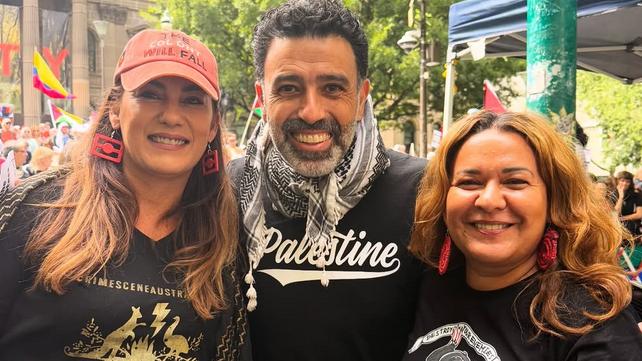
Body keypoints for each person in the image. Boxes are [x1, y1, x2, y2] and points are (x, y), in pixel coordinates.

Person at [0, 29, 248, 360]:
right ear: (116, 110)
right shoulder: (34, 209)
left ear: (213, 125)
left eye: (192, 100)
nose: (172, 116)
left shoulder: (227, 239)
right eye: (150, 94)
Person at [228, 1, 426, 360]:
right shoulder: (229, 190)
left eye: (333, 88)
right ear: (261, 98)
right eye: (288, 88)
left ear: (362, 96)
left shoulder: (421, 192)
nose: (312, 112)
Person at [406, 111, 642, 360]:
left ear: (554, 203)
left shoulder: (593, 323)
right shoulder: (417, 288)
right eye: (469, 182)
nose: (489, 201)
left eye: (515, 182)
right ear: (442, 199)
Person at [615, 171, 642, 237]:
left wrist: (622, 218)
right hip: (617, 230)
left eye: (627, 181)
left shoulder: (636, 195)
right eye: (622, 181)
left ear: (630, 183)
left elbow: (639, 214)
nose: (624, 183)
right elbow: (615, 214)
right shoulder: (612, 195)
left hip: (632, 229)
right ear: (617, 181)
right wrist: (621, 197)